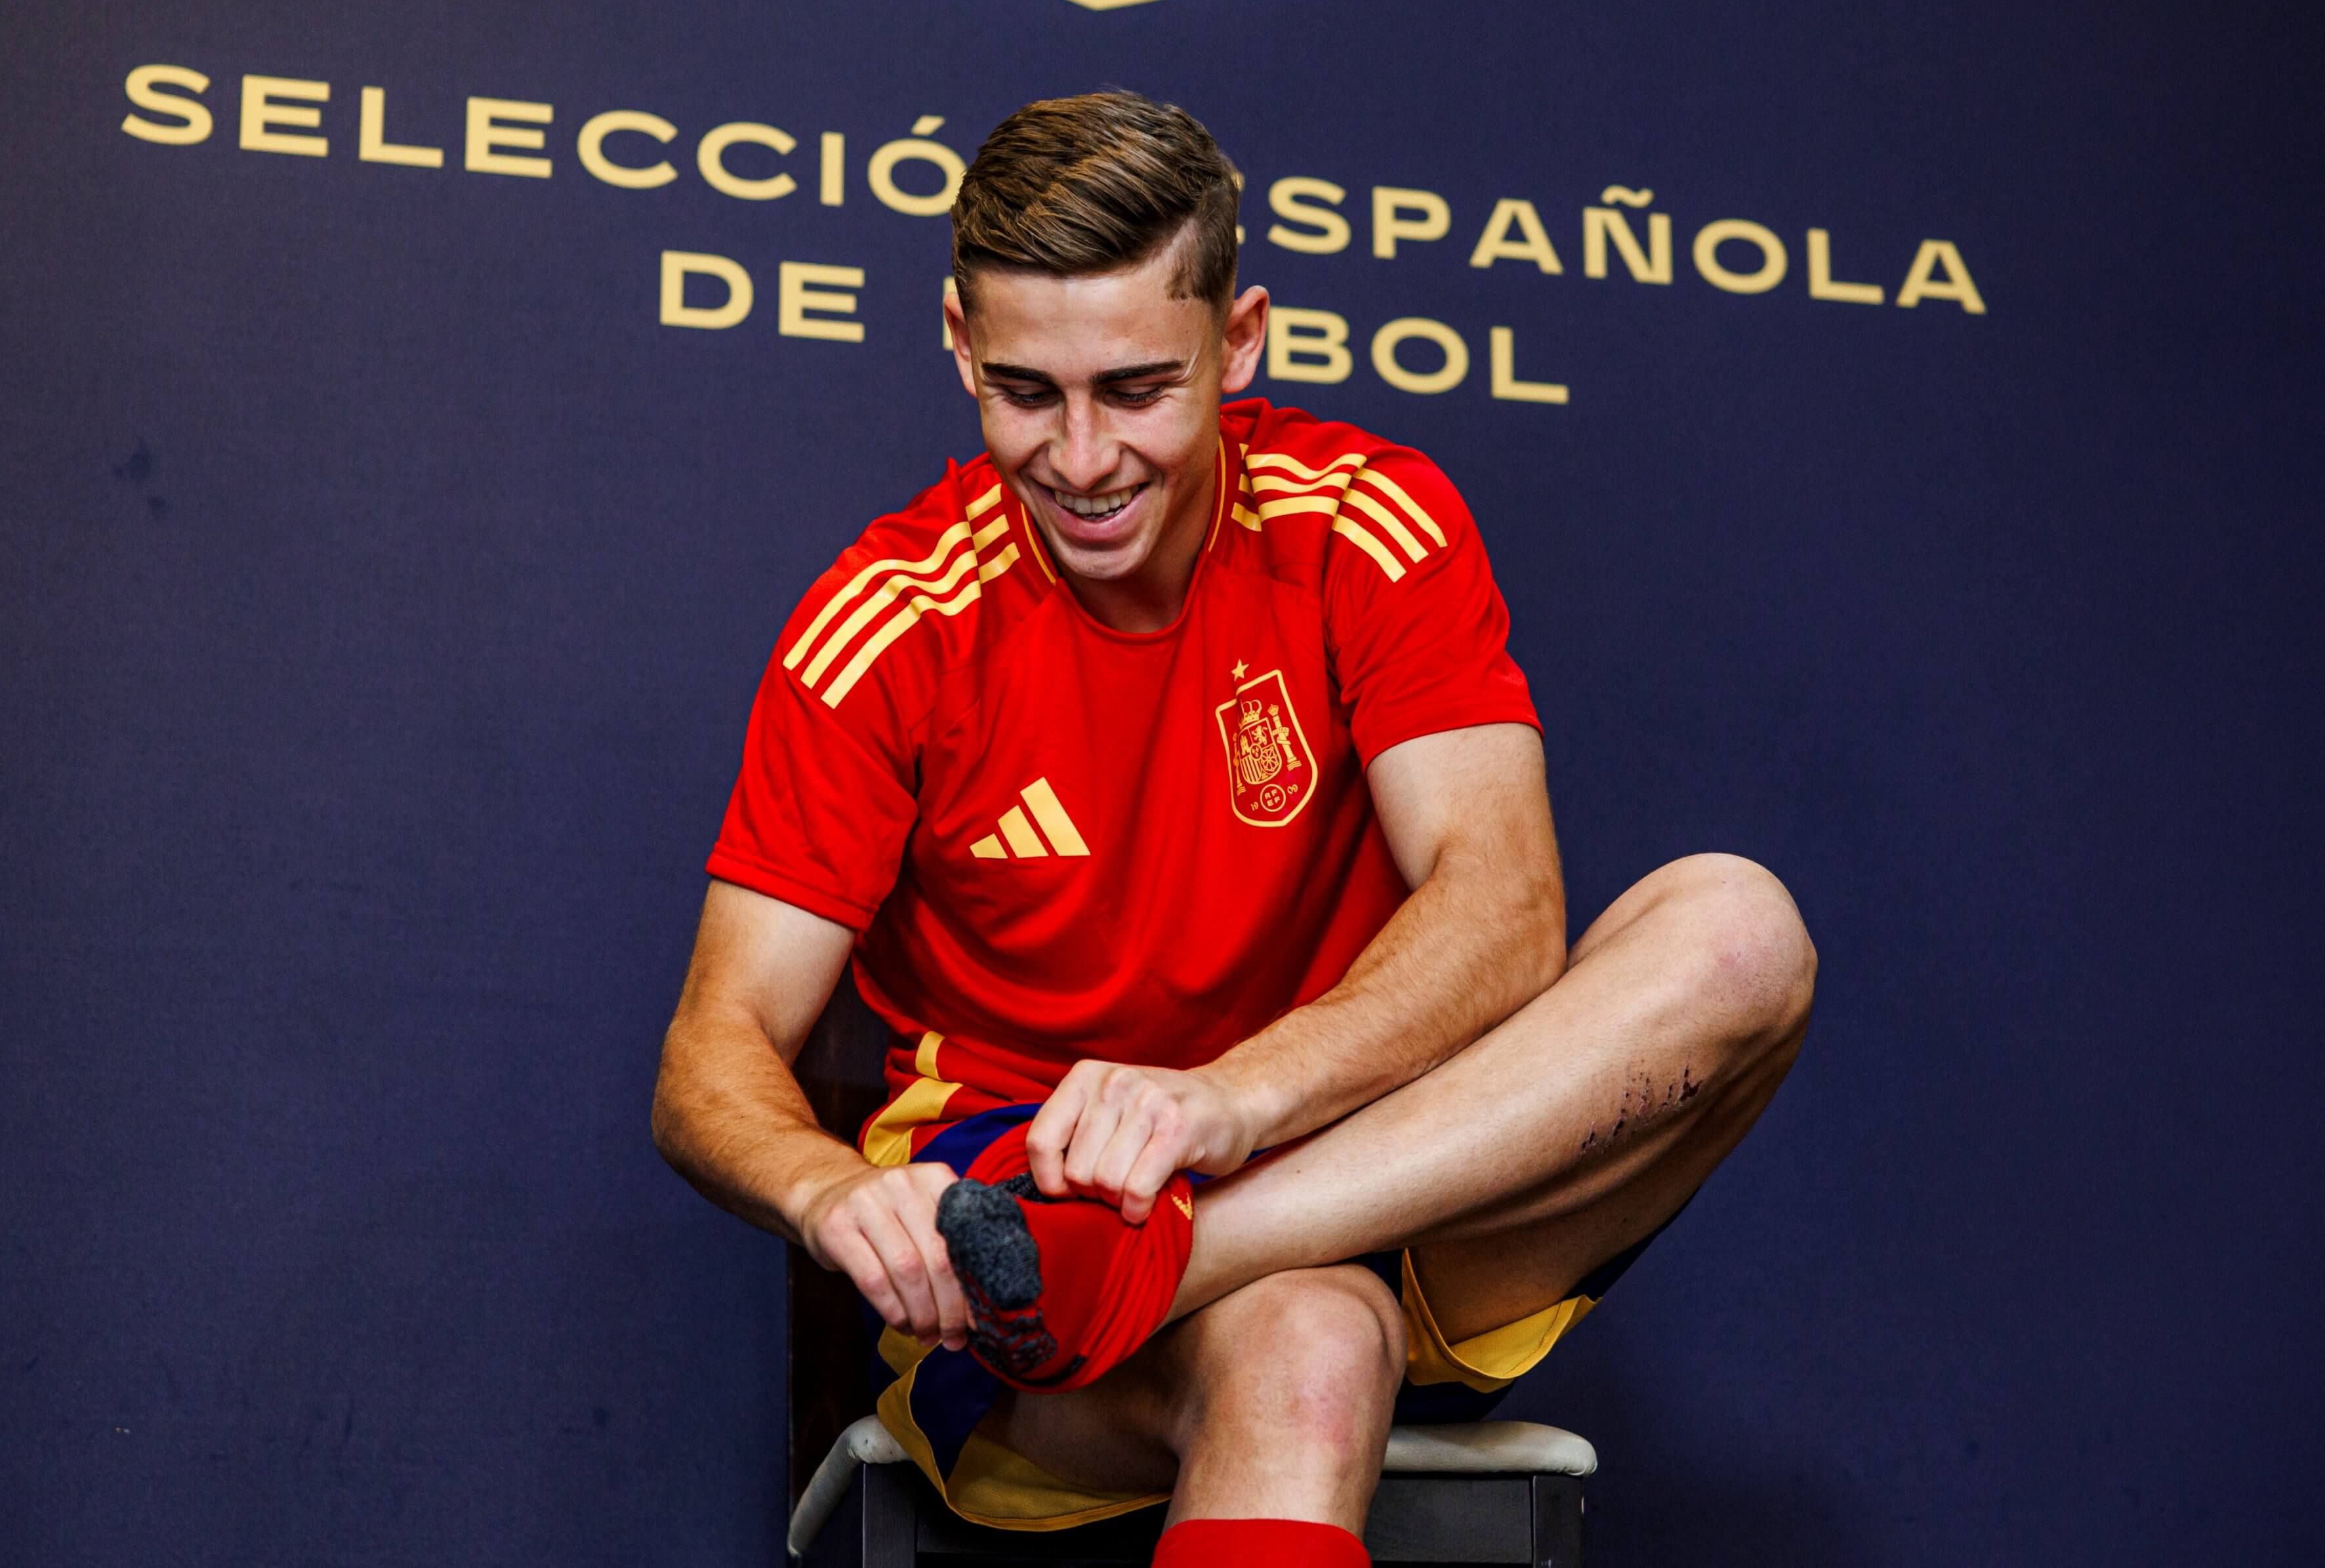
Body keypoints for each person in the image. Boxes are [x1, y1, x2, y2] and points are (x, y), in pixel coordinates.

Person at [651, 91, 1814, 1568]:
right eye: (1024, 392)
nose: (1079, 458)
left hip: (1384, 1154)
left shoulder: (1368, 520)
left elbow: (1505, 908)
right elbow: (709, 1052)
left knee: (1735, 927)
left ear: (1240, 339)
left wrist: (1224, 1109)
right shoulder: (885, 625)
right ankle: (1112, 1270)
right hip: (1029, 1212)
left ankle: (1149, 1266)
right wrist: (830, 1190)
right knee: (1312, 1340)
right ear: (956, 343)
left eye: (1137, 388)